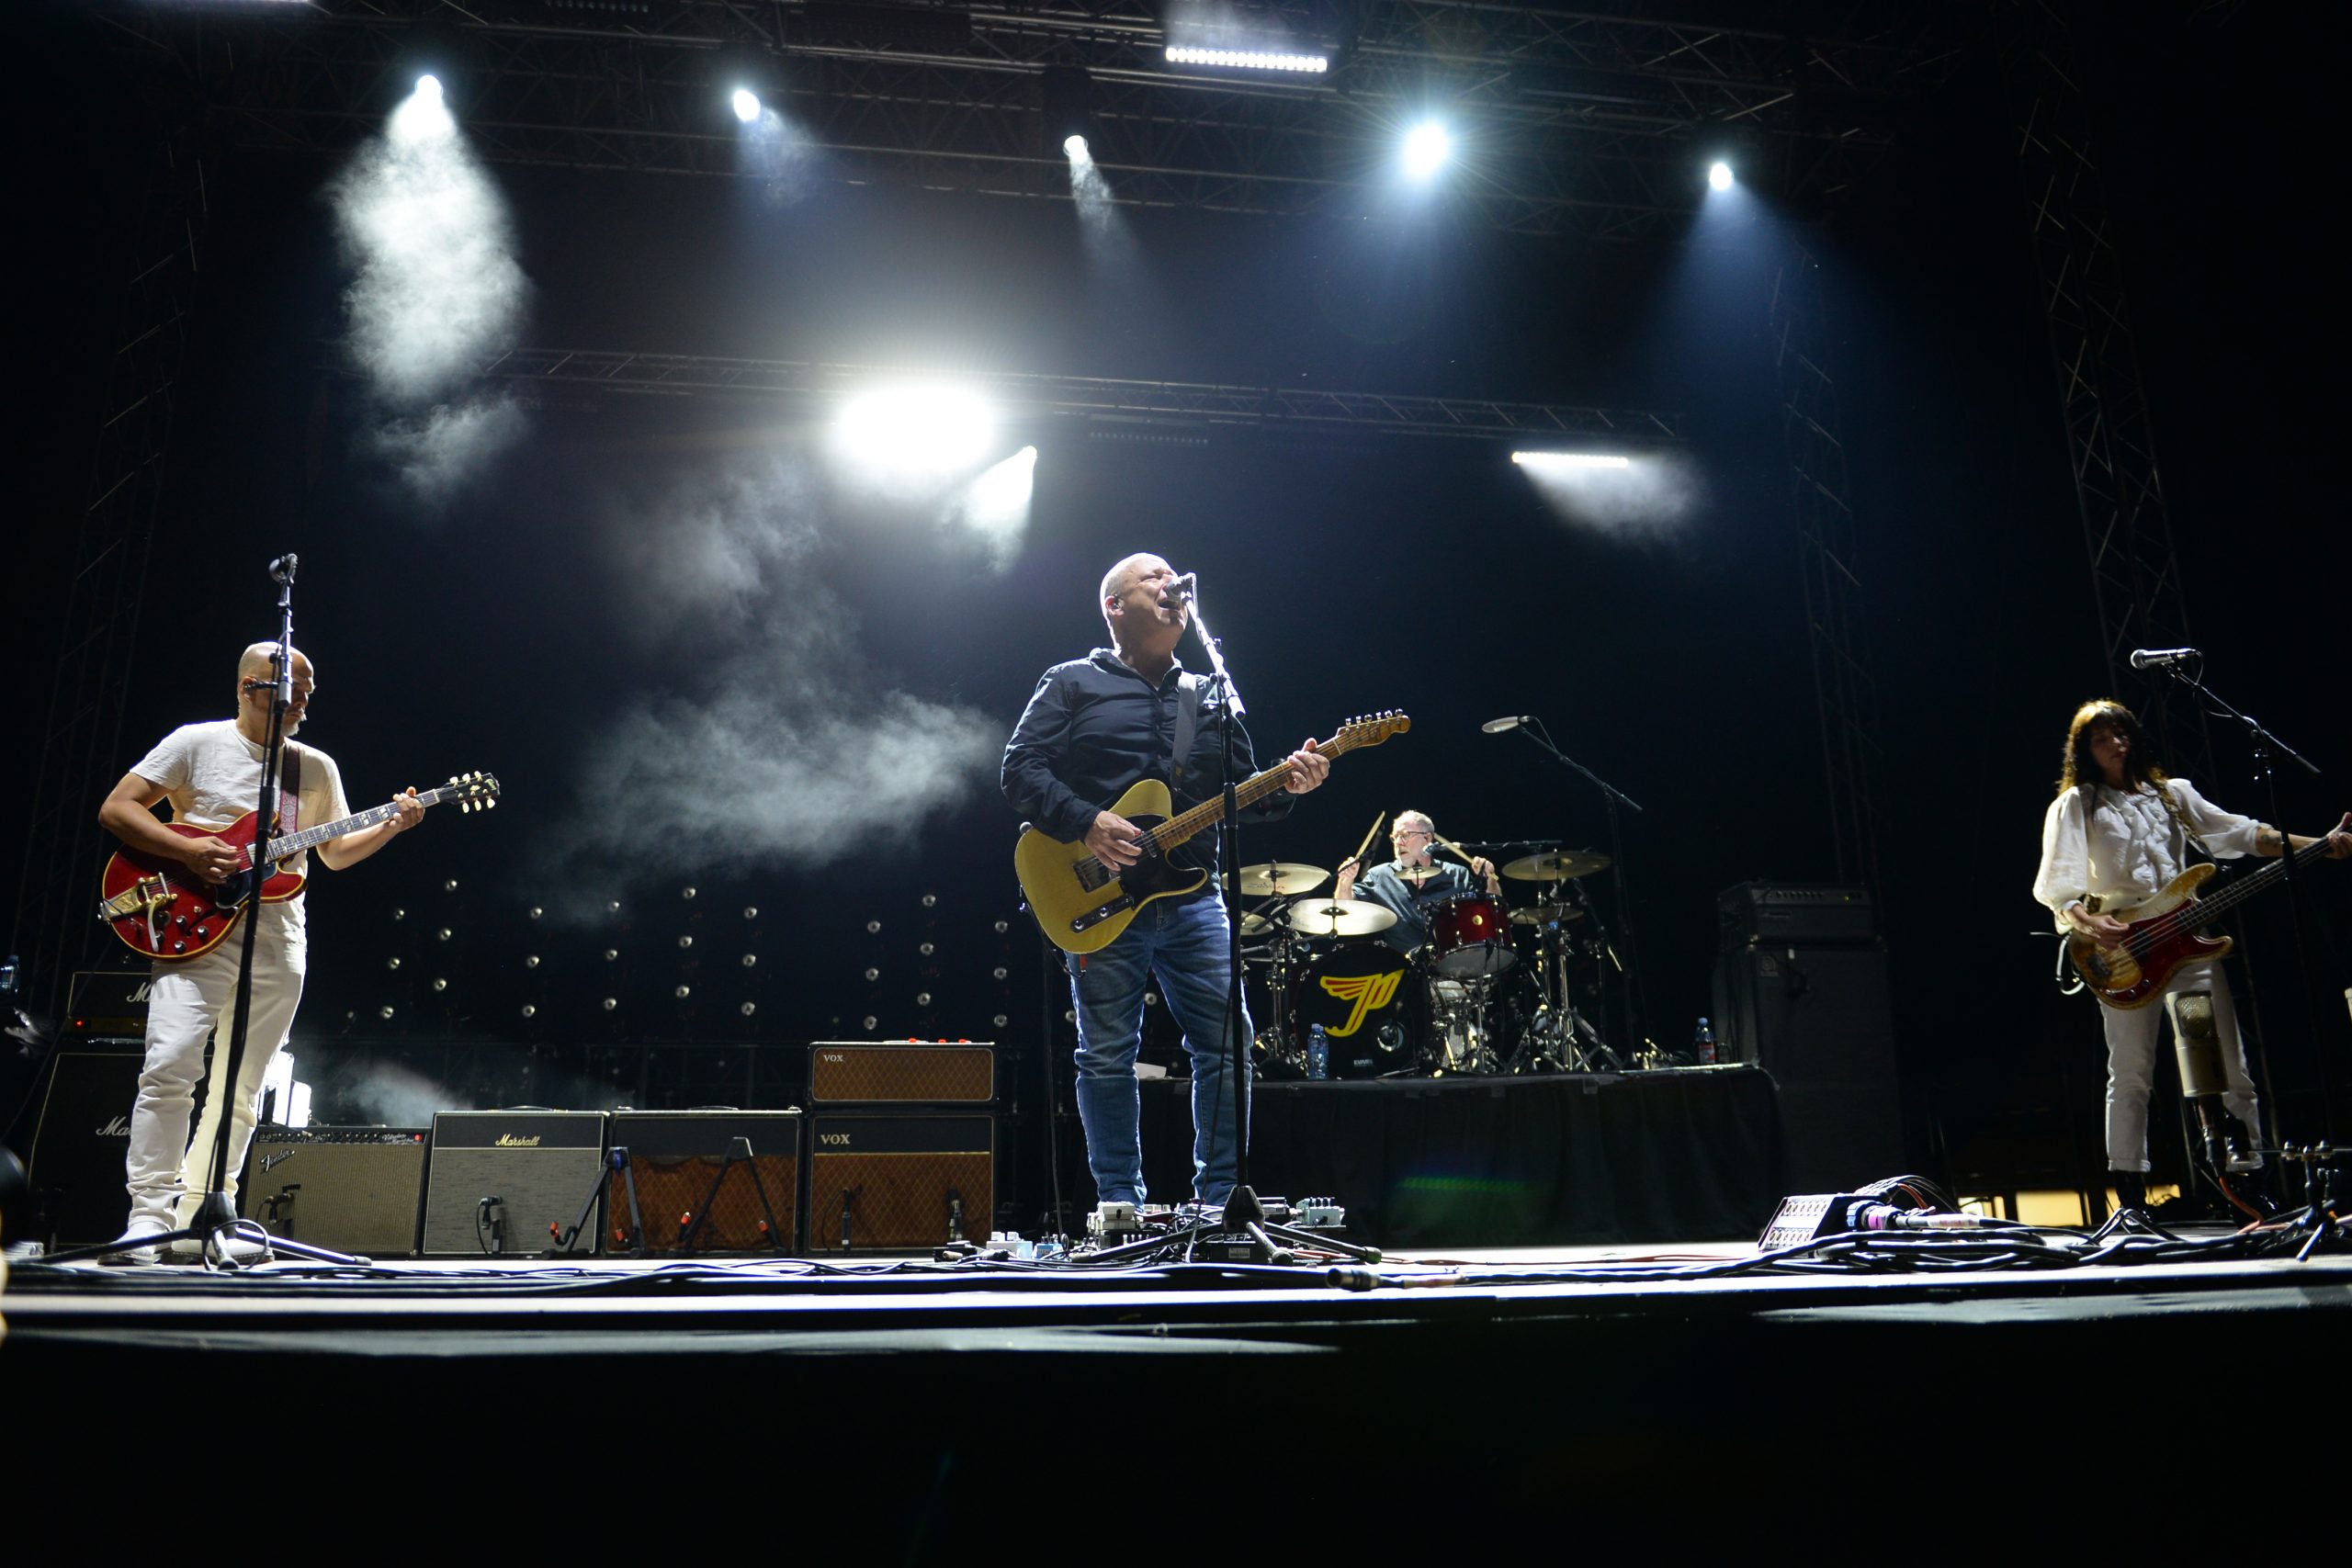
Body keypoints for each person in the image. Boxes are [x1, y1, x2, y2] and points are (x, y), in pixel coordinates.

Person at [1002, 554, 1329, 1212]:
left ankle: (1218, 1201)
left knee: (1228, 1041)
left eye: (1173, 579)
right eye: (1151, 577)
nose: (1170, 584)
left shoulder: (1208, 693)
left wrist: (1290, 783)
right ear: (1113, 606)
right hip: (1095, 894)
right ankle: (1120, 1202)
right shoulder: (1071, 681)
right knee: (1106, 1053)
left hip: (1191, 897)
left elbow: (1245, 794)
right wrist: (1087, 821)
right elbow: (1019, 769)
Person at [97, 643, 424, 1260]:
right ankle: (147, 1217)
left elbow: (333, 851)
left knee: (242, 1090)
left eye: (309, 688)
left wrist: (391, 824)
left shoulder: (314, 768)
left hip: (278, 933)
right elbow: (116, 809)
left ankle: (205, 1214)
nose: (304, 700)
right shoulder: (195, 743)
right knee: (170, 1067)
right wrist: (189, 850)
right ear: (252, 686)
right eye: (292, 688)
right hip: (194, 925)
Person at [2031, 698, 2350, 1211]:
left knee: (2222, 1062)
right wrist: (2090, 922)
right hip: (2124, 954)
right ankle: (2130, 1192)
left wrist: (2320, 843)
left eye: (2119, 732)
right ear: (2084, 751)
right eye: (2099, 738)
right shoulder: (2078, 804)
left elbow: (2243, 834)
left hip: (2187, 954)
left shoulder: (2172, 795)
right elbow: (2058, 884)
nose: (2113, 743)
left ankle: (2245, 1178)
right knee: (2132, 1069)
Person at [1334, 810, 1501, 955]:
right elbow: (1346, 910)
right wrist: (1345, 882)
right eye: (1395, 837)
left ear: (1427, 838)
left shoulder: (1457, 874)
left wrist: (1490, 878)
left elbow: (1492, 912)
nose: (1398, 842)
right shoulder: (1380, 876)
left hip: (1454, 967)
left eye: (1405, 835)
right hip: (1402, 973)